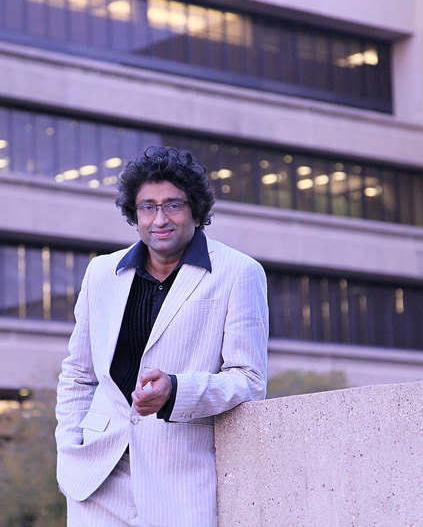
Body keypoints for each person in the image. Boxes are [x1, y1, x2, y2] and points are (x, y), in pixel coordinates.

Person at [55, 146, 268, 526]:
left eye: (173, 205)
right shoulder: (102, 273)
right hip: (97, 476)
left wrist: (176, 390)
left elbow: (249, 381)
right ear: (134, 214)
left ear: (196, 210)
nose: (159, 219)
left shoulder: (239, 272)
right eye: (147, 207)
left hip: (178, 478)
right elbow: (78, 374)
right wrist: (69, 448)